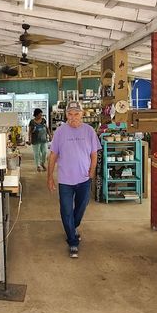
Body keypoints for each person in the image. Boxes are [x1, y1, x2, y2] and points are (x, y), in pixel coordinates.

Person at [46, 101, 101, 258]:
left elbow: (94, 154)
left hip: (84, 178)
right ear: (66, 115)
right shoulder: (60, 132)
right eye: (70, 114)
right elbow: (53, 155)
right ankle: (72, 241)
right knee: (66, 210)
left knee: (81, 207)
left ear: (82, 114)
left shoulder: (89, 131)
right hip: (65, 180)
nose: (73, 117)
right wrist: (49, 177)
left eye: (76, 114)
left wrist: (92, 170)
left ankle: (73, 227)